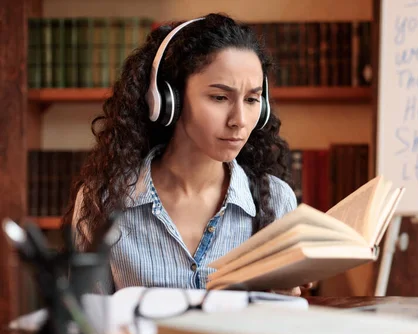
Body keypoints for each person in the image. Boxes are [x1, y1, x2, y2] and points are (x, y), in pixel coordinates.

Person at [63, 13, 309, 296]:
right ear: (169, 101)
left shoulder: (275, 201)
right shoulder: (102, 201)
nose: (239, 120)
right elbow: (86, 326)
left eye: (252, 99)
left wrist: (286, 302)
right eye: (219, 97)